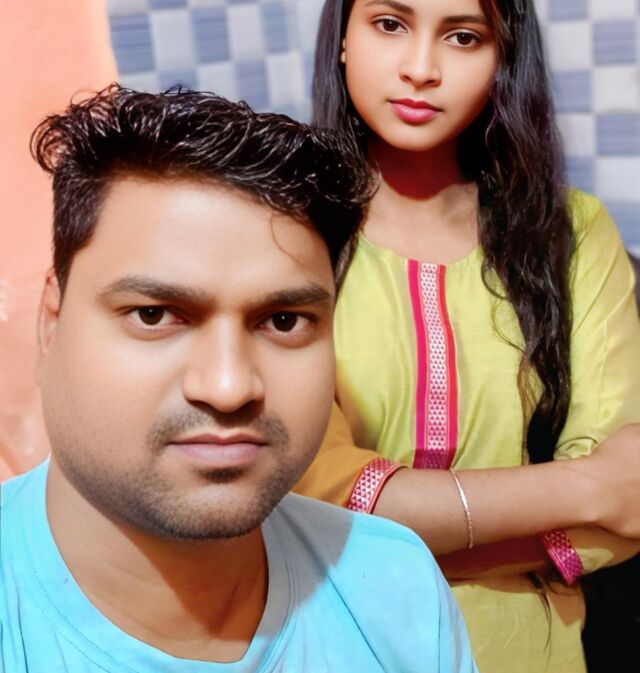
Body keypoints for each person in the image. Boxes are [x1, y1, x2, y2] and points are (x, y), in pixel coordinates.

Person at [0, 86, 477, 672]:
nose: (229, 387)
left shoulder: (396, 587)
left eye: (283, 321)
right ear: (51, 323)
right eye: (153, 315)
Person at [294, 0, 640, 672]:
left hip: (532, 649)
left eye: (463, 36)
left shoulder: (573, 232)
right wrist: (588, 487)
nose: (421, 66)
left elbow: (631, 496)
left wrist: (392, 524)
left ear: (503, 58)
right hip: (339, 642)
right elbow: (310, 492)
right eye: (390, 24)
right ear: (344, 37)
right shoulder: (287, 233)